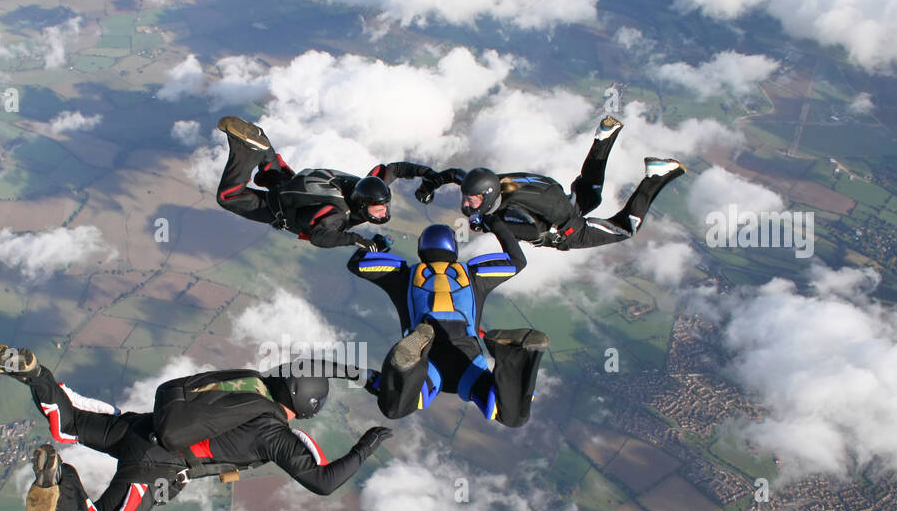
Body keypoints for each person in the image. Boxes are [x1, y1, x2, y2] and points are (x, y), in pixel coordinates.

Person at [0, 344, 392, 511]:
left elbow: (309, 366)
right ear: (304, 409)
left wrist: (360, 374)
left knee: (70, 422)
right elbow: (323, 481)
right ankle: (64, 482)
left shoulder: (250, 383)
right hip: (156, 467)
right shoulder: (275, 433)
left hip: (141, 427)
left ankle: (34, 374)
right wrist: (367, 444)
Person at [347, 220, 548, 427]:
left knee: (395, 407)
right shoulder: (474, 275)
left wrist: (377, 245)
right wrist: (495, 224)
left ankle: (410, 362)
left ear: (421, 249)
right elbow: (517, 260)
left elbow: (356, 263)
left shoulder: (403, 275)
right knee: (512, 416)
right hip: (466, 356)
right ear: (454, 248)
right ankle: (514, 351)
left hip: (429, 358)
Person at [415, 116, 685, 250]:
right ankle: (604, 137)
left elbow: (533, 233)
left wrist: (485, 224)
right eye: (466, 197)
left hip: (569, 227)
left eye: (472, 200)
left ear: (486, 195)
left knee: (626, 228)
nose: (466, 203)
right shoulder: (487, 183)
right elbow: (455, 174)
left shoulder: (508, 209)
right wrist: (432, 184)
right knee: (591, 192)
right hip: (554, 196)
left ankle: (655, 177)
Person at [214, 115, 443, 249]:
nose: (383, 213)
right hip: (276, 206)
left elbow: (395, 169)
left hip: (290, 184)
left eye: (385, 207)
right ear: (363, 205)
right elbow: (319, 237)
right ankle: (246, 151)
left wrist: (427, 173)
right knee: (228, 197)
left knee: (272, 170)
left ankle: (261, 144)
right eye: (379, 209)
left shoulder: (368, 186)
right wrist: (357, 240)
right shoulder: (338, 213)